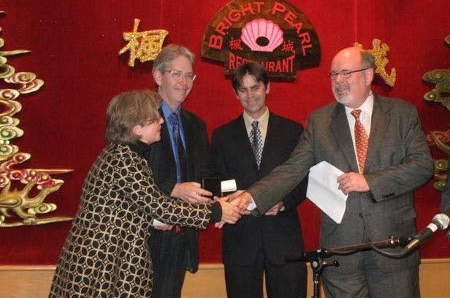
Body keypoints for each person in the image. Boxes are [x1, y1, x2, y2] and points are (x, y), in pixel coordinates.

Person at [231, 47, 434, 298]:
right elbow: (292, 169)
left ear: (369, 75)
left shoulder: (402, 114)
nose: (338, 81)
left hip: (393, 249)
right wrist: (252, 197)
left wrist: (370, 182)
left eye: (346, 73)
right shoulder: (320, 121)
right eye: (334, 74)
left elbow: (422, 166)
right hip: (341, 254)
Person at [48, 90, 241, 298]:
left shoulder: (122, 154)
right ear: (136, 128)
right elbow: (160, 206)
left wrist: (156, 221)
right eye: (154, 118)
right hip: (103, 263)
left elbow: (128, 207)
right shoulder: (125, 159)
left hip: (104, 257)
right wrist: (216, 211)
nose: (161, 121)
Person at [210, 63, 308, 298]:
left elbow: (303, 180)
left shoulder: (293, 131)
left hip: (283, 239)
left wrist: (282, 202)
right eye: (243, 90)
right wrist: (238, 197)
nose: (250, 95)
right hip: (240, 240)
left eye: (255, 87)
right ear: (235, 94)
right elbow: (217, 181)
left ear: (267, 87)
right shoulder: (222, 136)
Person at [143, 44, 213, 298]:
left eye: (189, 76)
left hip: (180, 236)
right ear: (158, 76)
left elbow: (203, 176)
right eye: (177, 74)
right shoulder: (138, 118)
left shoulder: (196, 125)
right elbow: (131, 175)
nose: (185, 82)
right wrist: (174, 189)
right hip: (143, 237)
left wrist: (222, 194)